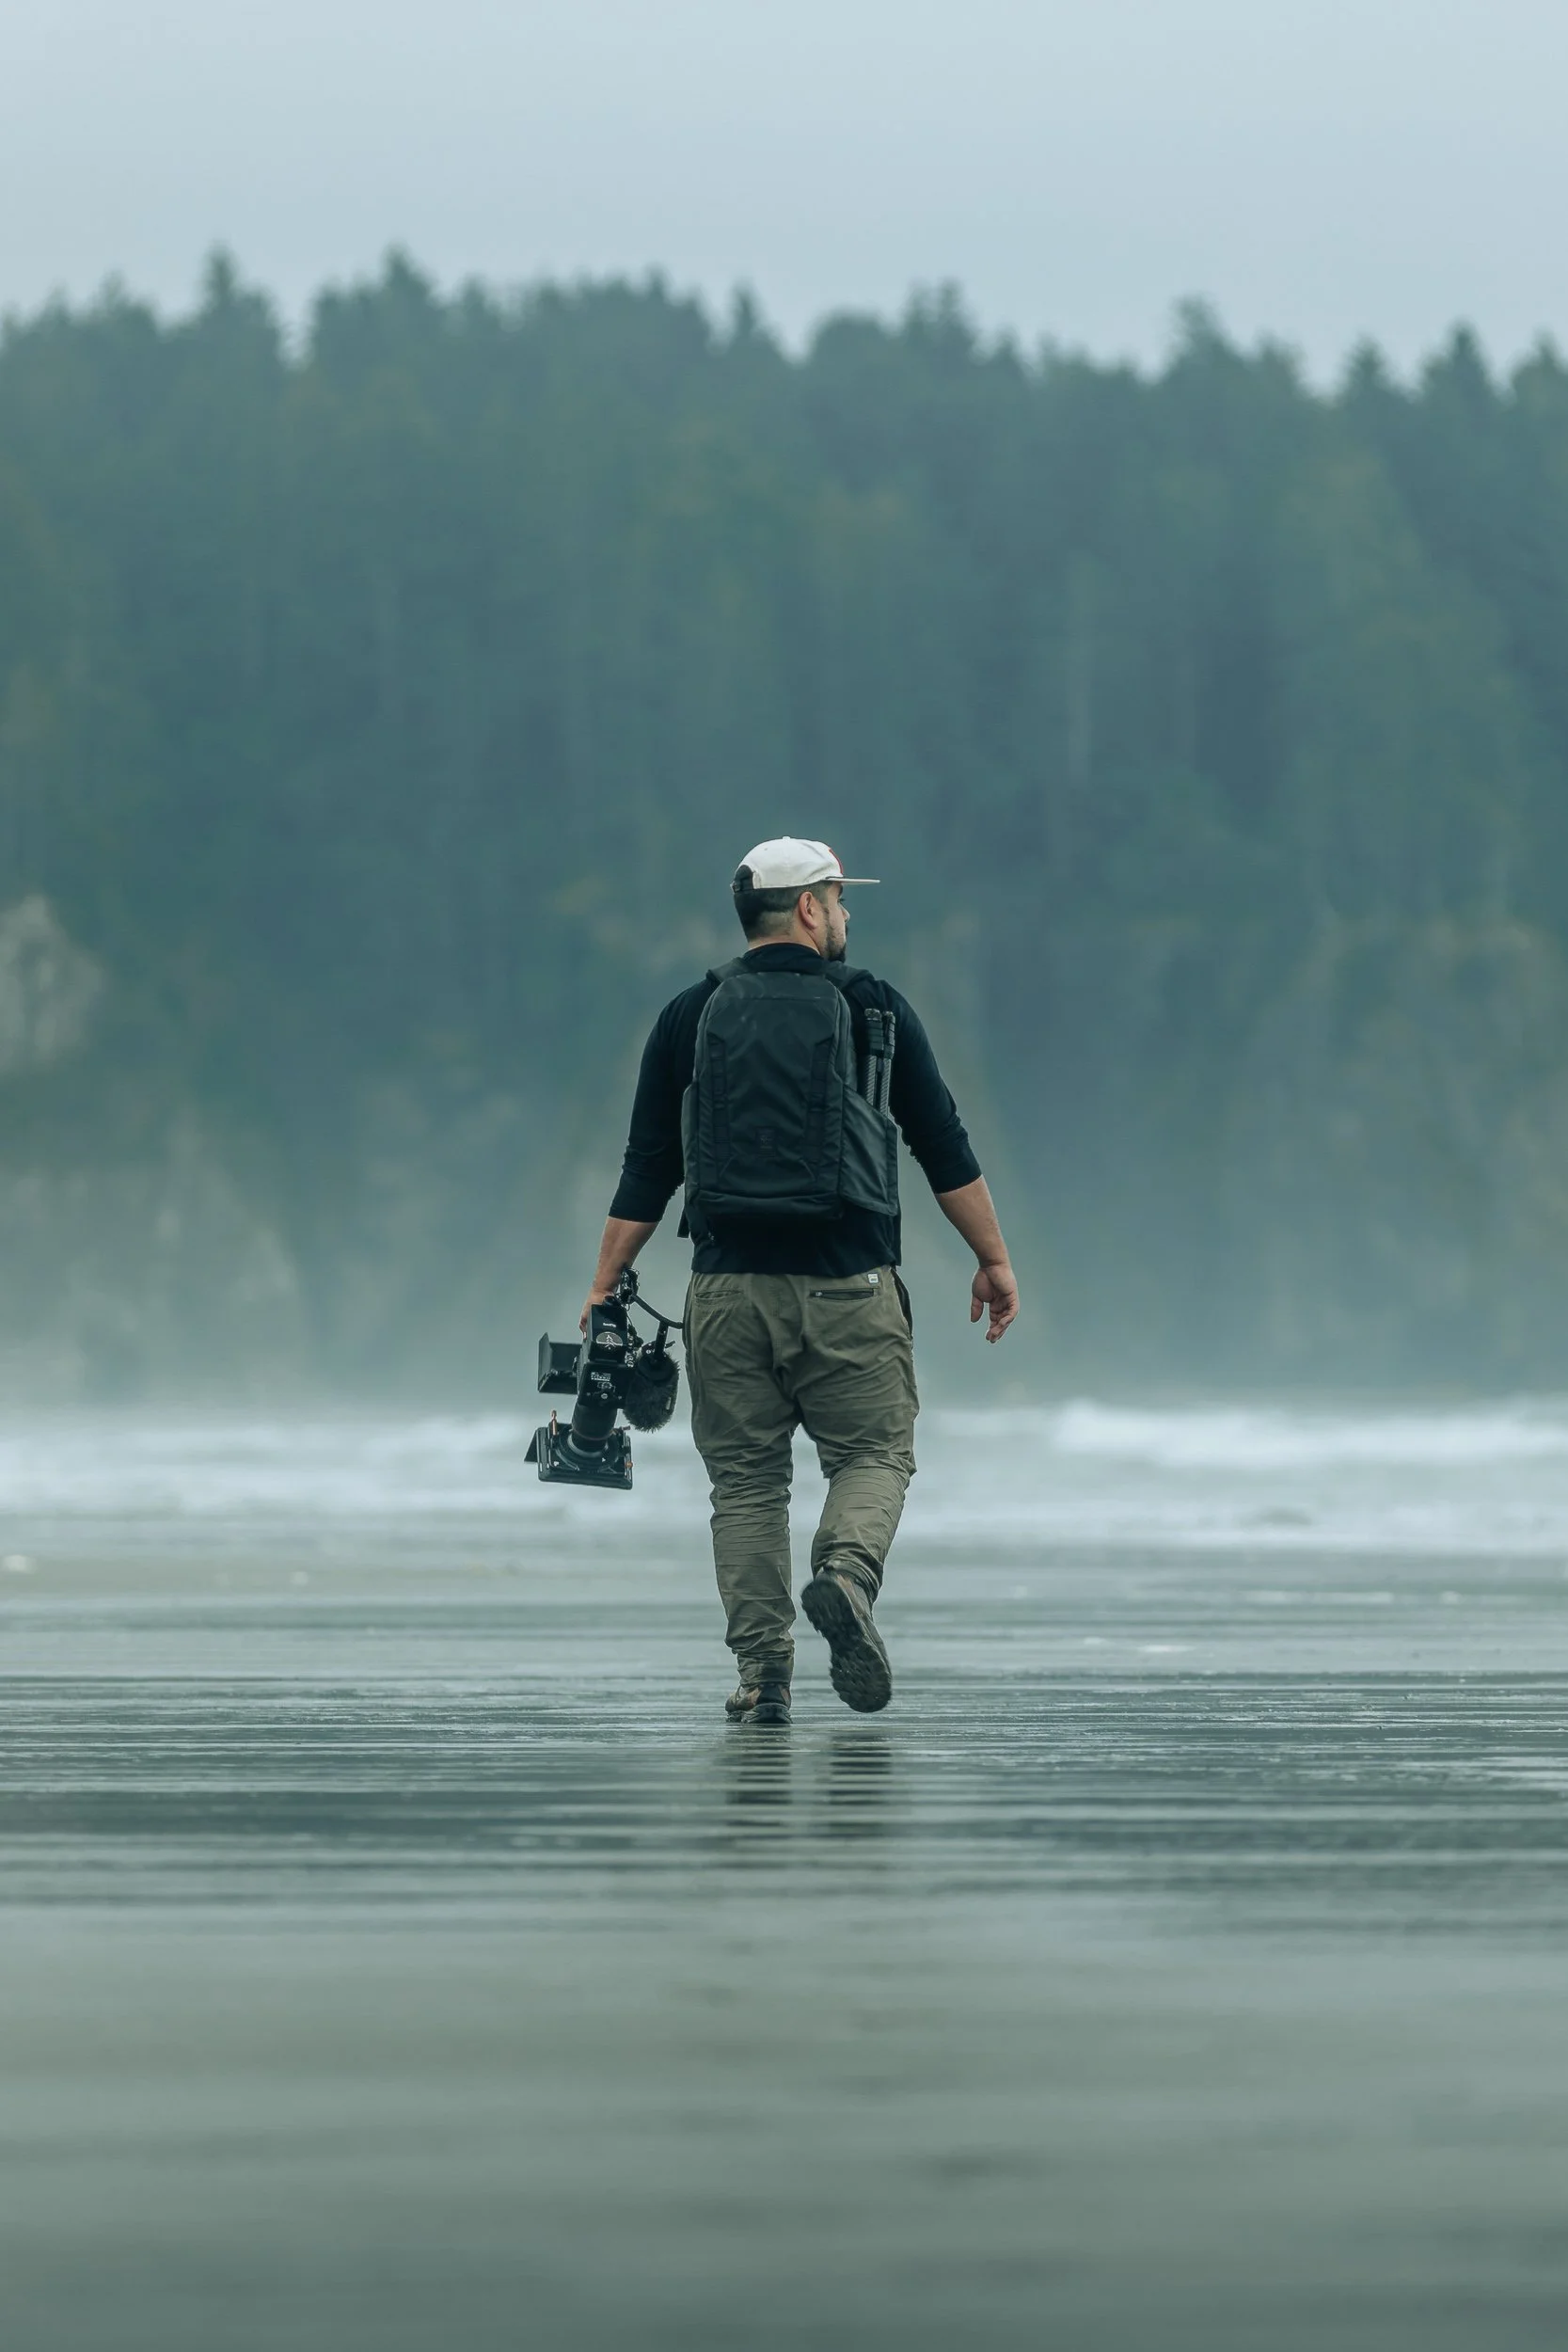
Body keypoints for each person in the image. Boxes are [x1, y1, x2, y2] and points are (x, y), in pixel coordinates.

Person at [578, 836, 1019, 1724]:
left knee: (744, 1482)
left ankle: (764, 1677)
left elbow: (646, 1167)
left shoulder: (686, 1014)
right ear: (810, 909)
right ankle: (845, 1573)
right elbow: (942, 1145)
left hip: (727, 1292)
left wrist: (604, 1281)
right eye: (840, 899)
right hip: (849, 1285)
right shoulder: (874, 1009)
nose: (848, 914)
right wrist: (992, 1260)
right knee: (872, 1454)